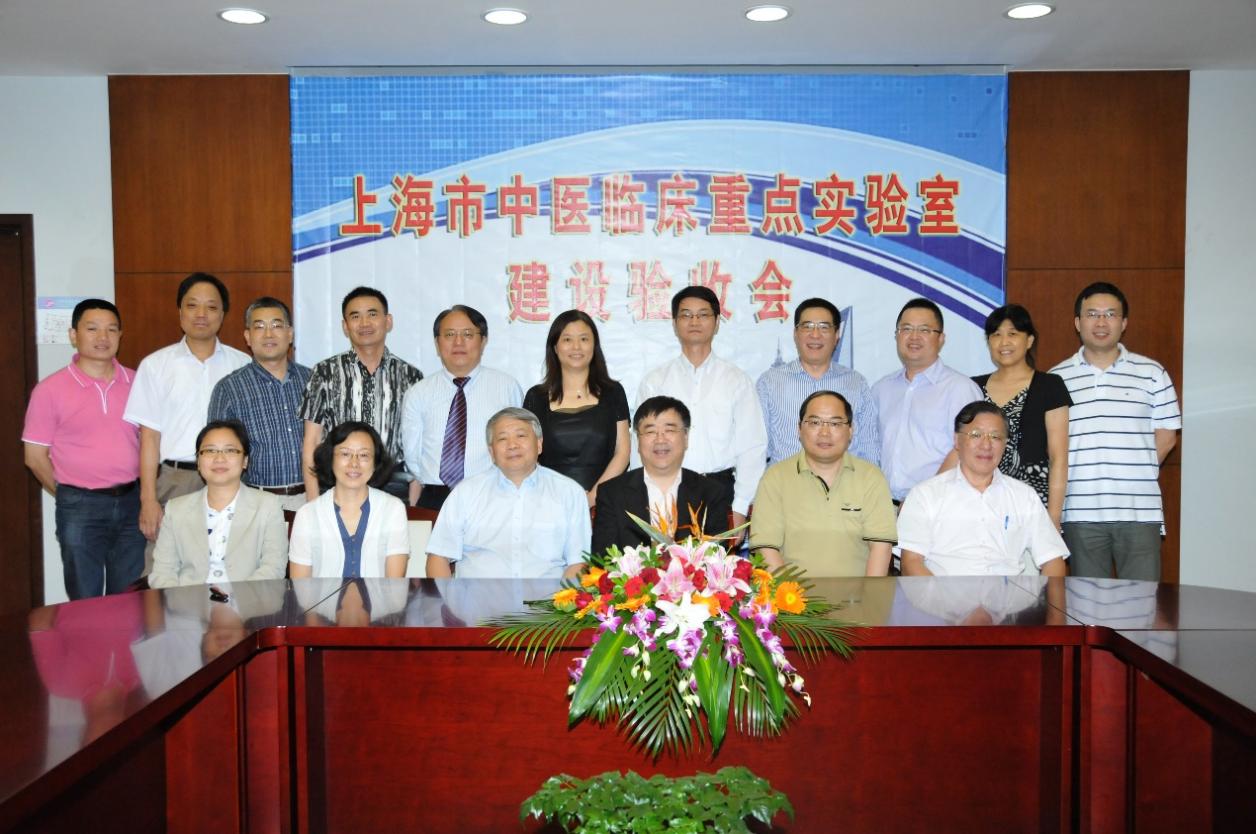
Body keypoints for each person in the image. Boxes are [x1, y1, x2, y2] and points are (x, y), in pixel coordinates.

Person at [1048, 282, 1181, 580]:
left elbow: (1167, 436)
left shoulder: (1152, 373)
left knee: (1141, 601)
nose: (1101, 322)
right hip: (1079, 511)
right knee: (1087, 602)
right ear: (1077, 322)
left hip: (1139, 512)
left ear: (1124, 323)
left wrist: (1133, 470)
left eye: (1110, 314)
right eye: (1092, 314)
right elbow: (1052, 445)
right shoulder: (1056, 378)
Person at [22, 299, 147, 598]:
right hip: (79, 507)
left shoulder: (138, 383)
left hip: (132, 504)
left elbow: (150, 442)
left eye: (111, 329)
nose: (103, 337)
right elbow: (34, 458)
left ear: (120, 335)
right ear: (73, 335)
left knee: (128, 598)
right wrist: (70, 494)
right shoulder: (49, 390)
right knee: (84, 600)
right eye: (92, 329)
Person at [123, 273, 250, 548]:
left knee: (231, 561)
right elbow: (149, 438)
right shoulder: (155, 365)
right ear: (180, 312)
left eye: (211, 307)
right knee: (168, 564)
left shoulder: (242, 364)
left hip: (230, 479)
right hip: (175, 480)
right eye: (192, 305)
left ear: (223, 315)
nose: (201, 314)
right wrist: (148, 499)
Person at [638, 286, 765, 537]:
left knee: (720, 563)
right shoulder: (655, 381)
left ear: (716, 323)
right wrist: (646, 500)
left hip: (720, 493)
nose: (694, 321)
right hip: (665, 491)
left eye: (703, 315)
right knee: (664, 562)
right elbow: (640, 445)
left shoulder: (736, 380)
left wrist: (740, 507)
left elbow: (752, 447)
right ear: (675, 323)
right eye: (686, 315)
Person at [898, 402, 1069, 577]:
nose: (986, 445)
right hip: (943, 591)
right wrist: (942, 595)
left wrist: (1050, 596)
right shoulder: (925, 495)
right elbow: (911, 562)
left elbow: (1053, 560)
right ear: (957, 440)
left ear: (1005, 444)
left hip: (1008, 593)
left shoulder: (1024, 496)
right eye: (976, 435)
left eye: (995, 437)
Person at [425, 408, 589, 579]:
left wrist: (560, 597)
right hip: (476, 596)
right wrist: (446, 596)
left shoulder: (569, 493)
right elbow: (438, 557)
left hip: (547, 596)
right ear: (491, 452)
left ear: (539, 444)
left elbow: (578, 563)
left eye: (521, 436)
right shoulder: (465, 492)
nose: (512, 445)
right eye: (502, 438)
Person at [750, 391, 897, 577]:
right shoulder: (775, 478)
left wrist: (869, 595)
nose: (825, 433)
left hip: (859, 594)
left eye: (835, 424)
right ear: (799, 429)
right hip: (790, 593)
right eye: (815, 423)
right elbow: (766, 549)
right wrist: (789, 594)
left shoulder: (871, 478)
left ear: (850, 430)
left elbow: (881, 548)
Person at [300, 286, 423, 503]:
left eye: (372, 314)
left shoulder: (410, 376)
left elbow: (417, 446)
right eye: (355, 316)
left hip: (392, 486)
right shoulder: (325, 372)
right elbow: (312, 440)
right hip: (337, 483)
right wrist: (312, 500)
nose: (364, 323)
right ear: (345, 326)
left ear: (388, 321)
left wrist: (413, 503)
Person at [401, 305, 521, 511]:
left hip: (492, 496)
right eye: (449, 335)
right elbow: (412, 454)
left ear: (483, 341)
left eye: (467, 334)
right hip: (435, 498)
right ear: (437, 343)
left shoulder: (506, 387)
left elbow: (517, 445)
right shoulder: (418, 392)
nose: (458, 342)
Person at [148, 420, 288, 588]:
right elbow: (163, 572)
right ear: (198, 461)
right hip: (187, 600)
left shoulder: (268, 506)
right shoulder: (175, 510)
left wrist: (237, 598)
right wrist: (183, 601)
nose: (219, 458)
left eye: (230, 450)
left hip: (248, 601)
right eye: (210, 450)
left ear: (245, 460)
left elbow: (273, 568)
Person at [871, 297, 982, 504]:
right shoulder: (881, 389)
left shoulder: (961, 389)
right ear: (896, 335)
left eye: (924, 330)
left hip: (939, 506)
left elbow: (967, 449)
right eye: (906, 329)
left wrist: (922, 499)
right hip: (885, 507)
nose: (914, 337)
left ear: (941, 339)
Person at [971, 304, 1072, 527]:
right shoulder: (973, 387)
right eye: (996, 335)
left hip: (1033, 505)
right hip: (981, 504)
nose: (1004, 342)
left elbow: (1058, 457)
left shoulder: (1049, 385)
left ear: (1029, 341)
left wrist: (1054, 518)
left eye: (1013, 334)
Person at [208, 297, 312, 512]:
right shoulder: (229, 388)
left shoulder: (314, 381)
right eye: (259, 327)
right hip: (256, 503)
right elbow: (217, 453)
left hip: (312, 499)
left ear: (290, 334)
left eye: (276, 325)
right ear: (248, 336)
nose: (268, 334)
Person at [592, 396, 732, 554]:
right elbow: (603, 559)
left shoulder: (711, 492)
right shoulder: (612, 493)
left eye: (670, 430)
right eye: (650, 431)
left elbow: (716, 557)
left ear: (686, 437)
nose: (660, 439)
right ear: (638, 440)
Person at [523, 310, 630, 506]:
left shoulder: (613, 392)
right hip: (551, 504)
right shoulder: (535, 397)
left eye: (584, 339)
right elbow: (529, 457)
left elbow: (622, 452)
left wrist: (591, 499)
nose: (576, 347)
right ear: (555, 347)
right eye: (567, 339)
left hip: (605, 503)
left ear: (594, 345)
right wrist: (560, 500)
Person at [757, 297, 880, 467]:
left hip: (844, 482)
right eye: (807, 326)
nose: (815, 335)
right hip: (786, 482)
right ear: (795, 334)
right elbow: (758, 448)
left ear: (836, 335)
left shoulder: (856, 383)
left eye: (824, 327)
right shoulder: (770, 383)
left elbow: (869, 447)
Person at [289, 421, 410, 579]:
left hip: (381, 597)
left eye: (364, 455)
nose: (354, 463)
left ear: (375, 463)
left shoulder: (393, 509)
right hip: (320, 597)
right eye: (345, 454)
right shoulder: (307, 514)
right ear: (330, 458)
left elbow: (393, 586)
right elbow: (301, 588)